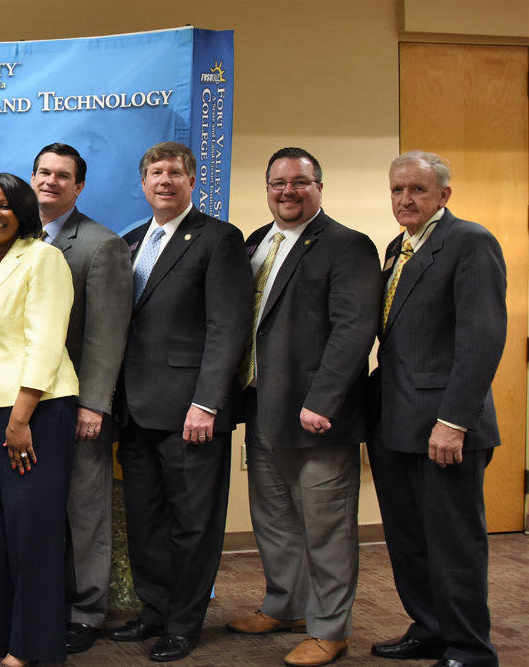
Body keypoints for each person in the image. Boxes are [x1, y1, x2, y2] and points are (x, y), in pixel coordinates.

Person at [223, 148, 379, 667]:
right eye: (277, 183)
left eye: (299, 182)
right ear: (266, 187)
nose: (287, 191)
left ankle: (330, 629)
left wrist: (324, 400)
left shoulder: (347, 245)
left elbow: (354, 330)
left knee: (326, 526)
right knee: (274, 518)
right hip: (261, 405)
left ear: (319, 186)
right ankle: (285, 603)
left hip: (317, 415)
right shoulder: (257, 243)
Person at [109, 141, 250, 662]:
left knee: (194, 524)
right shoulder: (129, 242)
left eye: (174, 172)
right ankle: (154, 611)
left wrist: (208, 403)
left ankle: (184, 623)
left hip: (191, 411)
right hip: (135, 409)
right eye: (154, 173)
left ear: (192, 181)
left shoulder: (218, 238)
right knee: (145, 519)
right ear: (142, 184)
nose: (163, 180)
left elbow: (227, 326)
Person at [369, 151, 504, 667]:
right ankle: (429, 627)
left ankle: (470, 646)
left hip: (445, 427)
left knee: (454, 544)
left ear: (443, 195)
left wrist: (454, 422)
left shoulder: (470, 242)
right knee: (409, 541)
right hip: (395, 422)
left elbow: (482, 340)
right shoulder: (397, 247)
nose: (406, 199)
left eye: (418, 190)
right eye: (398, 190)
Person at [0, 173, 79, 666]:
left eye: (3, 205)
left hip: (33, 412)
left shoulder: (44, 259)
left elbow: (46, 342)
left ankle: (33, 647)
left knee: (32, 532)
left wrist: (21, 417)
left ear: (23, 210)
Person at [27, 143, 133, 656]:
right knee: (43, 508)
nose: (51, 181)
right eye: (44, 172)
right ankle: (46, 601)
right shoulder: (15, 241)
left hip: (77, 405)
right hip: (25, 405)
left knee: (84, 509)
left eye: (62, 176)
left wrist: (94, 405)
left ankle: (87, 611)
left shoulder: (101, 244)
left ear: (79, 186)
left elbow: (107, 333)